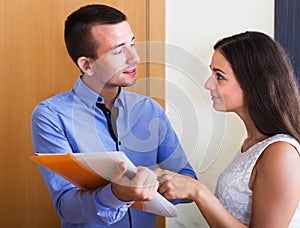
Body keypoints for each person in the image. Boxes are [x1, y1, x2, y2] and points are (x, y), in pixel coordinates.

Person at [31, 4, 196, 228]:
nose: (135, 57)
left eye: (133, 44)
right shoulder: (50, 116)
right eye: (119, 50)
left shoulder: (150, 110)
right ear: (87, 65)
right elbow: (66, 205)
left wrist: (153, 185)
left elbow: (187, 180)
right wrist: (116, 195)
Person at [155, 31, 300, 227]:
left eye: (219, 76)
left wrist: (198, 192)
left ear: (253, 83)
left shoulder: (281, 153)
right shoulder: (250, 144)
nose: (208, 84)